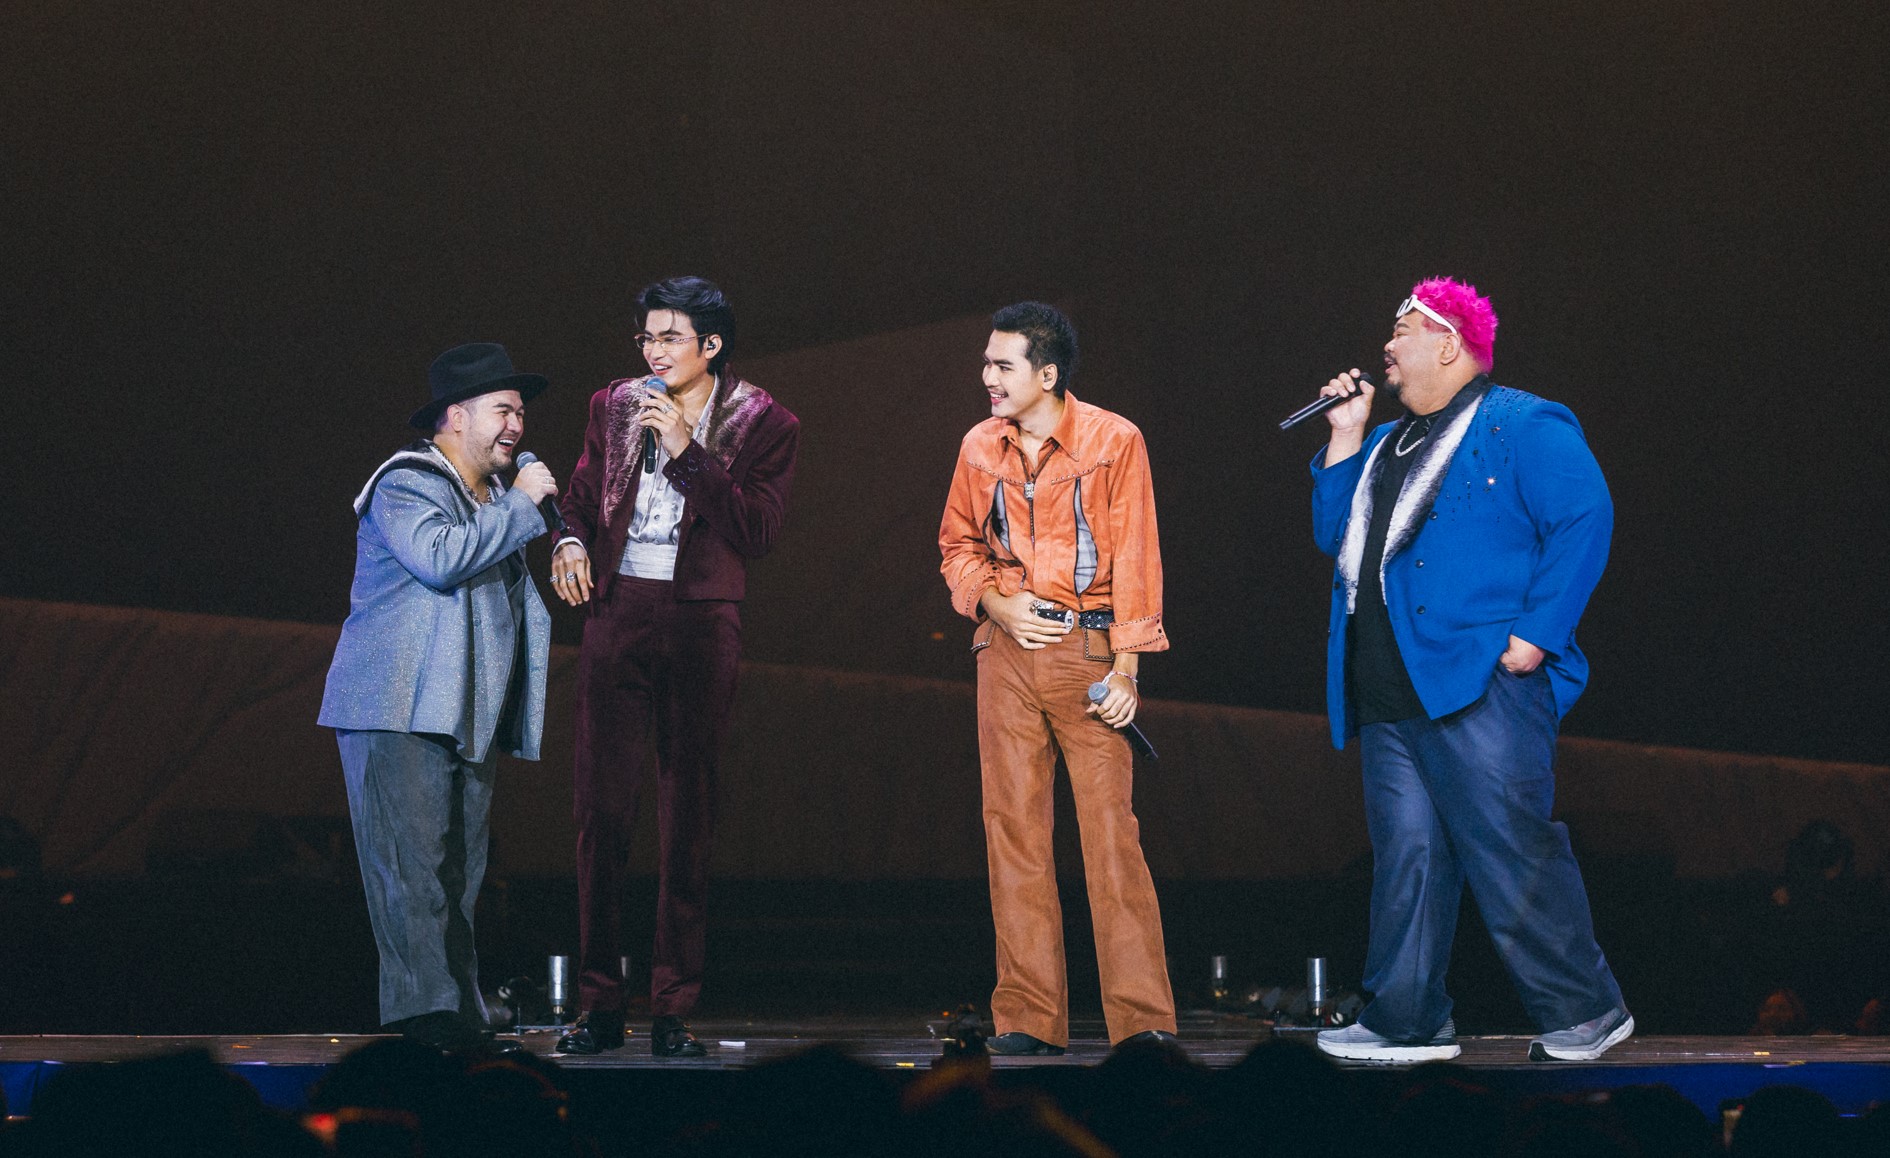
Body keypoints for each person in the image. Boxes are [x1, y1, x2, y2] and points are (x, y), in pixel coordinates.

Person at [1307, 278, 1631, 1062]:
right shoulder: (1386, 443)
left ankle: (1587, 1010)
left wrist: (1538, 634)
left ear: (1449, 342)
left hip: (1479, 679)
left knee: (1510, 845)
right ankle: (1406, 1017)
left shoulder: (1520, 421)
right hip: (1389, 686)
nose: (1387, 345)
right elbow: (1334, 535)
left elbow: (1586, 516)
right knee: (1408, 859)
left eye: (1404, 329)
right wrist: (1346, 434)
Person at [548, 277, 800, 1057]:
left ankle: (671, 1008)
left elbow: (757, 531)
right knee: (601, 812)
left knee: (687, 812)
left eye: (670, 338)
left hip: (700, 617)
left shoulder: (765, 422)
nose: (654, 352)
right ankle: (598, 1004)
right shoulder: (614, 404)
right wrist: (568, 541)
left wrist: (690, 455)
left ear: (711, 346)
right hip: (618, 608)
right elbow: (581, 496)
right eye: (647, 338)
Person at [938, 301, 1177, 1055]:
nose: (988, 376)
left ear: (1047, 374)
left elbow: (1136, 555)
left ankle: (1141, 1021)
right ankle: (1028, 1021)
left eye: (1002, 365)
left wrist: (1128, 669)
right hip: (1006, 654)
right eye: (987, 362)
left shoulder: (1113, 440)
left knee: (1111, 839)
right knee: (1013, 835)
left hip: (1089, 653)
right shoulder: (980, 445)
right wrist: (996, 603)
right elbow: (956, 546)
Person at [319, 342, 558, 1052]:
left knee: (459, 874)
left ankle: (458, 1010)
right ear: (455, 416)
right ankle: (425, 1016)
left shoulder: (492, 500)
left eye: (520, 413)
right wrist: (524, 505)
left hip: (463, 713)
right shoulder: (404, 482)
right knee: (411, 869)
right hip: (396, 709)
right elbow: (440, 558)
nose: (517, 425)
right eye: (503, 410)